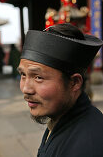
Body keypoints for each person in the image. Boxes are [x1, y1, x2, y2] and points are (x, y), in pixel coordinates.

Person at [18, 23, 103, 157]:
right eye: (23, 75)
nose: (26, 89)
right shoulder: (59, 119)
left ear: (74, 83)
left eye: (38, 77)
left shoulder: (87, 147)